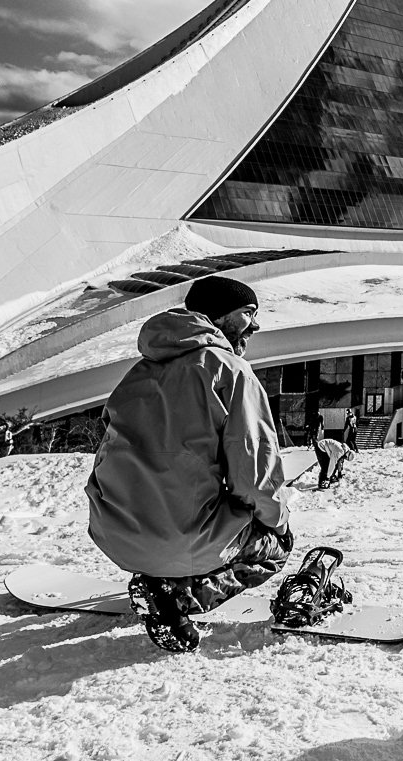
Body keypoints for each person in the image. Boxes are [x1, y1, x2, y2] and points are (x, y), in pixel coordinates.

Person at [86, 275, 293, 653]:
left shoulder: (138, 373)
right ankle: (175, 600)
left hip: (113, 533)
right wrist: (277, 523)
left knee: (182, 504)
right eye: (248, 314)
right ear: (220, 317)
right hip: (177, 540)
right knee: (274, 545)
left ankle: (160, 580)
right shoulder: (228, 370)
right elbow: (254, 473)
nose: (256, 325)